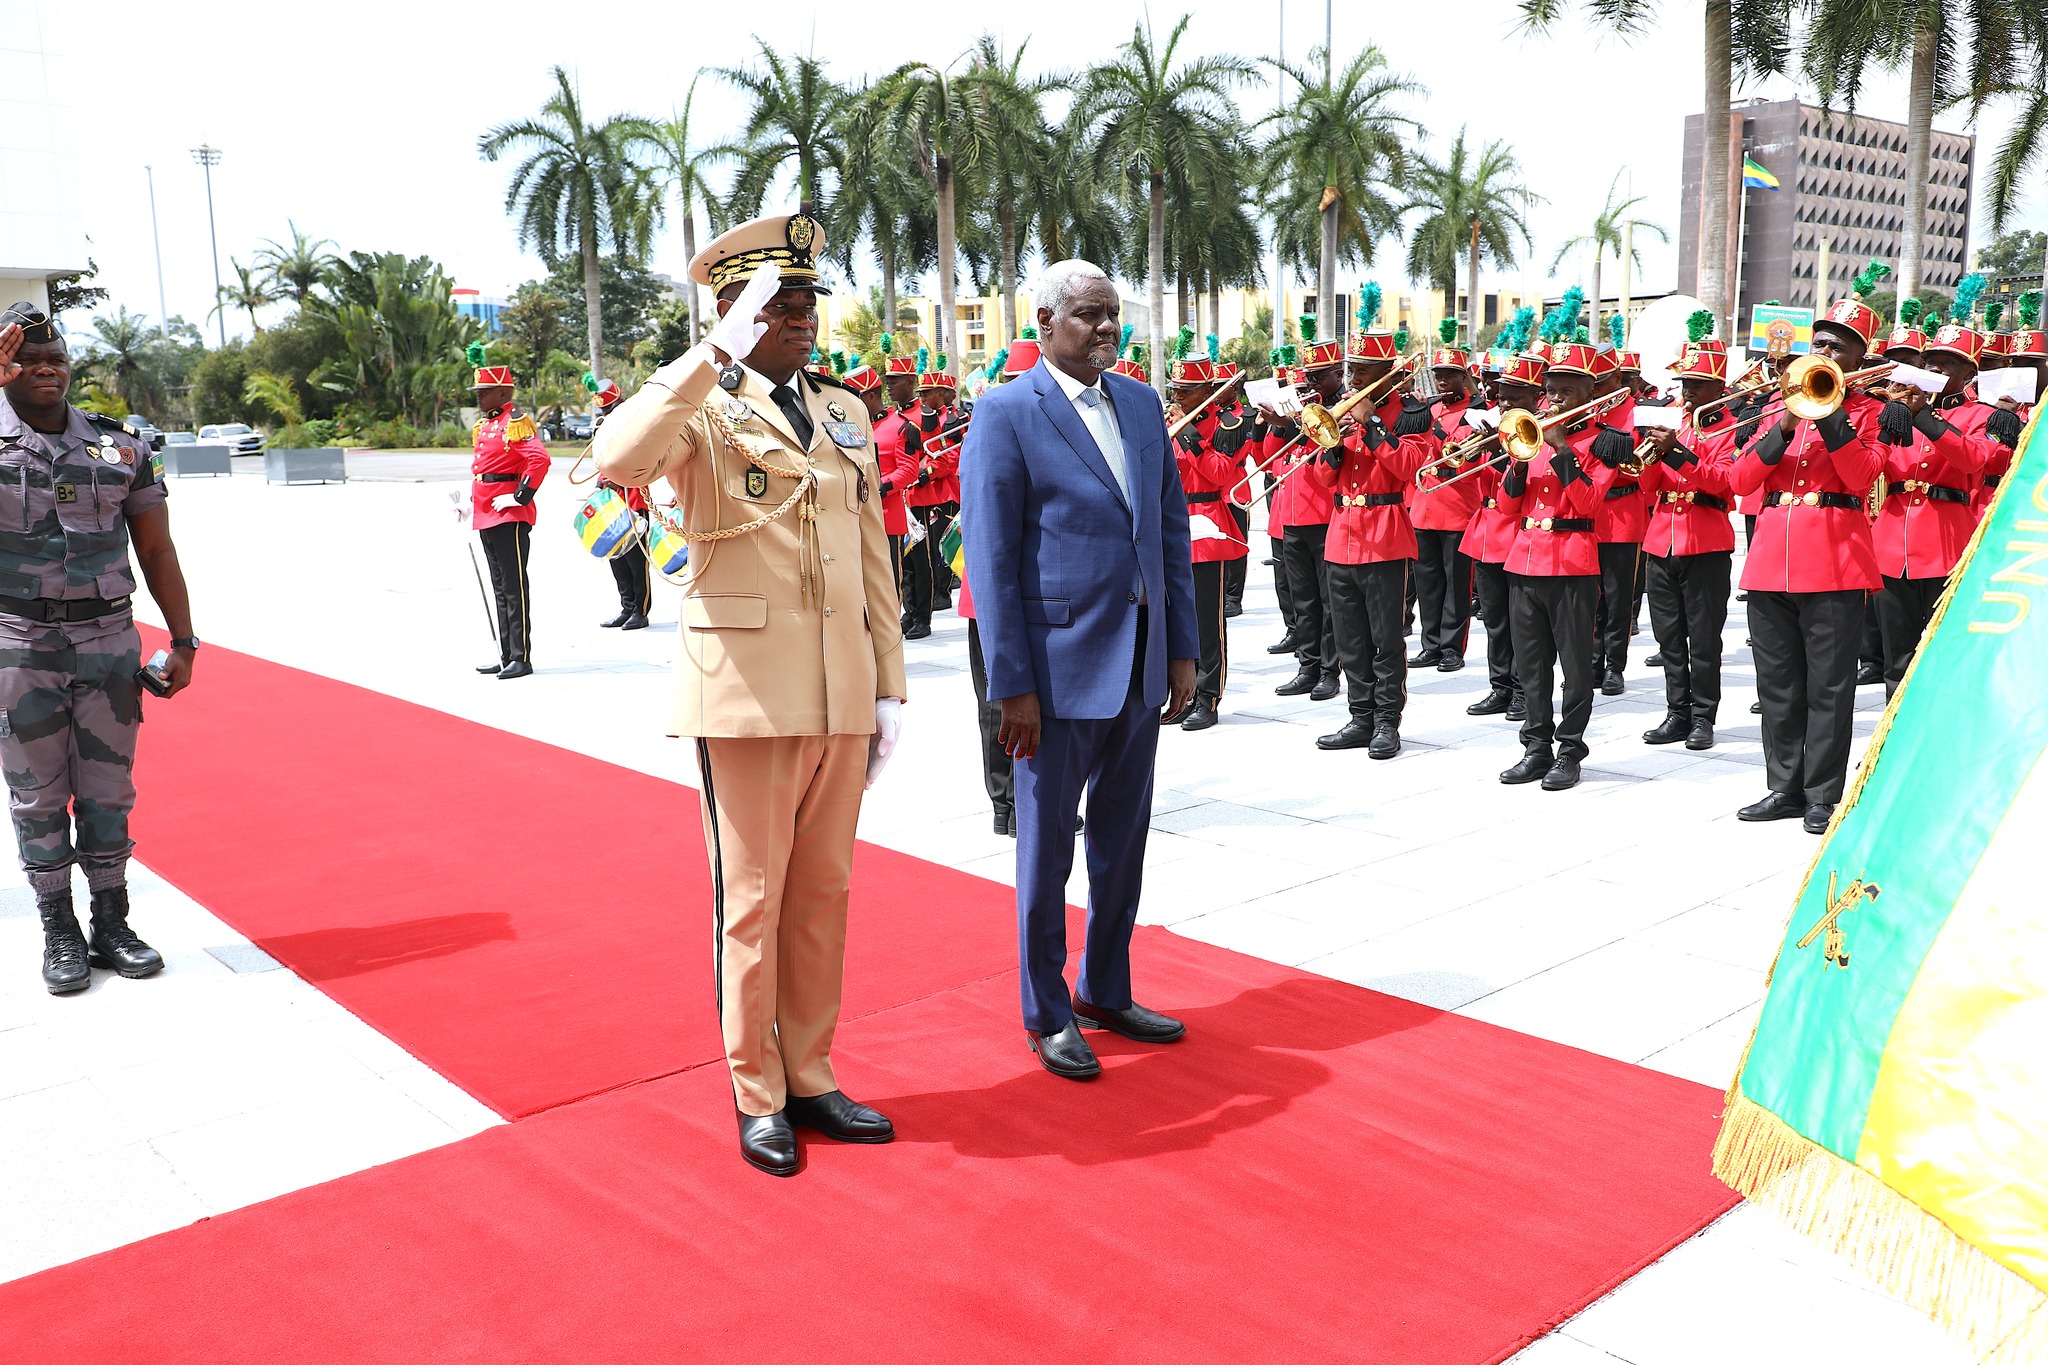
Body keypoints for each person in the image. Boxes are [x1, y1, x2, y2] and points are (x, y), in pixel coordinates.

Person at [591, 210, 905, 1177]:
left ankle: (810, 1071)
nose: (803, 315)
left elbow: (872, 553)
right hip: (746, 692)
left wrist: (888, 684)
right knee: (752, 900)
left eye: (808, 298)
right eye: (780, 301)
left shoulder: (845, 412)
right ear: (734, 310)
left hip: (839, 692)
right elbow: (617, 457)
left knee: (825, 896)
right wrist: (709, 357)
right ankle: (756, 1090)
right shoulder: (700, 405)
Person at [962, 258, 1198, 1083]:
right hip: (1054, 678)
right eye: (1090, 315)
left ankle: (1106, 987)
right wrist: (1011, 687)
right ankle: (1047, 1009)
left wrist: (1182, 647)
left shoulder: (1138, 403)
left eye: (1113, 315)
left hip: (1136, 663)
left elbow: (1169, 531)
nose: (1107, 328)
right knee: (1045, 853)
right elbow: (991, 562)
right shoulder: (1004, 413)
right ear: (1045, 324)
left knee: (1122, 844)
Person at [0, 305, 197, 994]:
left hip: (108, 639)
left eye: (57, 358)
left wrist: (184, 639)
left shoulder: (121, 447)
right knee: (37, 795)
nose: (47, 369)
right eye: (28, 360)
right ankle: (59, 928)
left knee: (109, 790)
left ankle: (111, 920)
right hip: (19, 643)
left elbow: (157, 548)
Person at [1728, 294, 1886, 835]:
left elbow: (1864, 477)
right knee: (1776, 685)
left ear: (1858, 359)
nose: (1822, 351)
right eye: (1818, 342)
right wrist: (1784, 426)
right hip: (1771, 562)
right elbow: (1738, 480)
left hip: (1836, 564)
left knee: (1829, 689)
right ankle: (1784, 787)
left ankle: (1822, 793)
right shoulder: (1777, 406)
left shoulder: (1872, 411)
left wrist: (1831, 417)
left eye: (1836, 346)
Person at [1496, 341, 1631, 791]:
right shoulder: (1528, 436)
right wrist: (1516, 466)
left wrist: (1561, 452)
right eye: (1549, 391)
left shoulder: (1607, 442)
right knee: (1530, 665)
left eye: (1564, 392)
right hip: (1525, 560)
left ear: (1589, 393)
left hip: (1572, 562)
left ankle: (1570, 749)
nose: (1552, 400)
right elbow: (1504, 507)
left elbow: (1590, 501)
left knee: (1575, 668)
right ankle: (1536, 747)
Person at [1313, 325, 1437, 757]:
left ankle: (1387, 721)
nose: (1356, 380)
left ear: (1388, 373)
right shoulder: (1341, 413)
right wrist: (1334, 444)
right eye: (1354, 371)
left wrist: (1373, 428)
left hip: (1386, 535)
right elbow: (1321, 478)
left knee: (1386, 637)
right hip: (1341, 534)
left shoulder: (1411, 415)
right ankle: (1359, 716)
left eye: (1365, 371)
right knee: (1349, 639)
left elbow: (1410, 467)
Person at [1872, 323, 1996, 695]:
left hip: (1947, 545)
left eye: (1948, 363)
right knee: (1896, 657)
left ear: (1970, 373)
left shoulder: (1981, 416)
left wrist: (1925, 416)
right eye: (1932, 362)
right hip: (1892, 544)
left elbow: (1973, 460)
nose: (1937, 370)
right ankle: (1893, 743)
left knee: (1946, 649)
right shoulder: (1895, 409)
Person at [1636, 338, 1738, 750]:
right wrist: (1645, 452)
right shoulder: (1672, 422)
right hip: (1662, 539)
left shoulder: (1731, 428)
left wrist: (1676, 453)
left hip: (1706, 540)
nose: (1688, 392)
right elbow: (1646, 487)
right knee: (1669, 637)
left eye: (1697, 384)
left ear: (1719, 388)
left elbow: (1725, 483)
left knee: (1705, 637)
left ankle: (1703, 718)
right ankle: (1676, 712)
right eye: (1685, 384)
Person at [1165, 332, 1252, 732]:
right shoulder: (1166, 419)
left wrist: (1189, 437)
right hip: (1171, 519)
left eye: (1185, 390)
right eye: (1175, 389)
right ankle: (1180, 695)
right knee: (1173, 616)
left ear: (1206, 391)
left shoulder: (1228, 424)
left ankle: (1208, 696)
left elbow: (1221, 473)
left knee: (1205, 618)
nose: (1177, 396)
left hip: (1207, 518)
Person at [1460, 353, 1545, 721]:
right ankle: (1501, 686)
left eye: (1515, 396)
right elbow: (1467, 479)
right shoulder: (1494, 426)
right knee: (1495, 619)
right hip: (1485, 530)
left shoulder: (1538, 430)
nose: (1505, 402)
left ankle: (1525, 691)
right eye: (1501, 395)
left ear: (1535, 396)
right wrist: (1478, 451)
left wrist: (1504, 455)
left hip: (1518, 534)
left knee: (1522, 624)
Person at [1265, 319, 1344, 702]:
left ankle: (1330, 670)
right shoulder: (1303, 406)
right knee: (1304, 600)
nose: (1310, 383)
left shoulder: (1342, 410)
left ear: (1338, 373)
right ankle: (1307, 665)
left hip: (1325, 516)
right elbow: (1268, 459)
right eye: (1308, 375)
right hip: (1292, 518)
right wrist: (1281, 426)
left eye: (1318, 376)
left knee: (1329, 602)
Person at [469, 346, 551, 679]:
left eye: (485, 392)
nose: (480, 397)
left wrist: (520, 497)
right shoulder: (486, 426)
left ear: (504, 392)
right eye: (478, 392)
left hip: (509, 515)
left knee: (514, 587)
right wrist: (469, 503)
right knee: (500, 586)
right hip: (487, 512)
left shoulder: (516, 423)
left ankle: (521, 656)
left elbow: (539, 460)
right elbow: (485, 468)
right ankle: (506, 654)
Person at [1409, 328, 1481, 674]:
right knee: (1428, 583)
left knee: (1457, 586)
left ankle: (1452, 647)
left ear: (1463, 377)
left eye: (1450, 375)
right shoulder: (1429, 408)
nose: (1442, 382)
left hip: (1457, 509)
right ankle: (1430, 643)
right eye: (1438, 375)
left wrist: (1430, 427)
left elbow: (1462, 456)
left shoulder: (1477, 411)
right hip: (1424, 508)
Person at [587, 376, 652, 631]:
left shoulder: (632, 420)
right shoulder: (604, 424)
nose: (605, 414)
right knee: (617, 557)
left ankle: (641, 610)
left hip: (633, 498)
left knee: (637, 561)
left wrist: (616, 480)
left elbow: (639, 456)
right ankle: (626, 607)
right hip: (611, 502)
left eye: (607, 408)